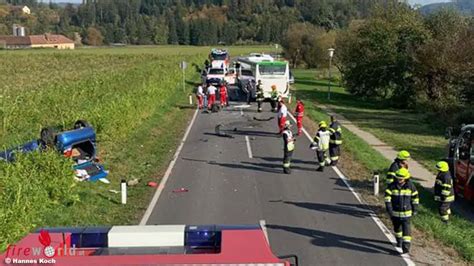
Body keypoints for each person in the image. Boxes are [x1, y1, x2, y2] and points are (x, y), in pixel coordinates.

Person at [385, 168, 419, 254]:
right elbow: (387, 199)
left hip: (406, 214)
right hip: (395, 214)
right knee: (397, 229)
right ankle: (399, 241)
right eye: (398, 178)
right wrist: (390, 210)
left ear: (406, 178)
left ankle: (406, 247)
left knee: (406, 231)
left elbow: (415, 198)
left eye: (401, 179)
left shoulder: (411, 186)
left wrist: (415, 209)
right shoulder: (392, 186)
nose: (399, 180)